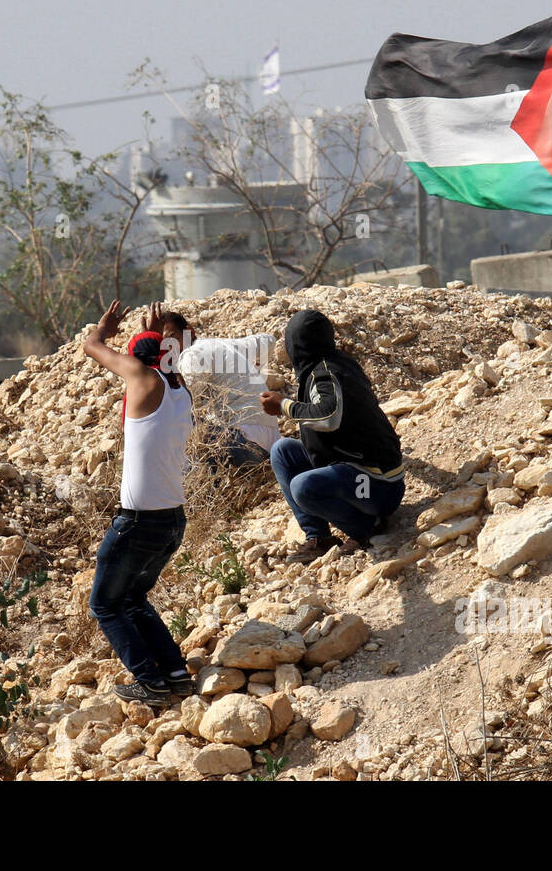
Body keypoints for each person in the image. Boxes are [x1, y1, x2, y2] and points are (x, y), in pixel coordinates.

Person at [84, 301, 196, 705]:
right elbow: (162, 358)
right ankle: (177, 676)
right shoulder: (181, 392)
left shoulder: (143, 380)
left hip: (138, 522)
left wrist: (105, 328)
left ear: (139, 360)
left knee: (105, 606)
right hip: (172, 521)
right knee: (133, 599)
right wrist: (156, 338)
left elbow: (93, 346)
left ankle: (150, 682)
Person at [259, 309, 406, 562]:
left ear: (296, 345)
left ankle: (364, 528)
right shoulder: (329, 364)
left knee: (303, 487)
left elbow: (329, 417)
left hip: (378, 485)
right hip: (353, 468)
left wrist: (284, 405)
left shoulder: (326, 374)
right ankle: (318, 537)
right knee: (282, 451)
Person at [161, 311, 279, 468]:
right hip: (273, 442)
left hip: (246, 443)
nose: (171, 348)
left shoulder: (191, 356)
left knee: (177, 419)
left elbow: (187, 405)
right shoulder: (219, 344)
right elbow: (267, 341)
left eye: (173, 338)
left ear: (189, 331)